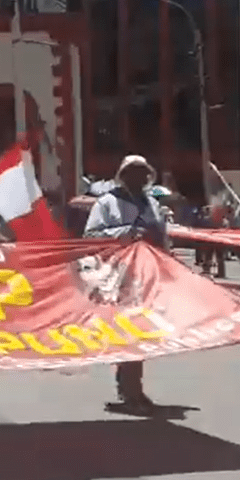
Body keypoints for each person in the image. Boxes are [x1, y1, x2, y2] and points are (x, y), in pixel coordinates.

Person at [84, 155, 169, 411]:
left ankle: (132, 386)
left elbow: (162, 236)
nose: (140, 177)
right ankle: (130, 390)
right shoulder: (107, 202)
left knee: (143, 331)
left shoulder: (152, 203)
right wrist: (127, 232)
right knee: (128, 329)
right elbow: (92, 235)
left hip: (148, 274)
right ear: (124, 175)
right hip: (119, 275)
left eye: (143, 172)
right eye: (134, 172)